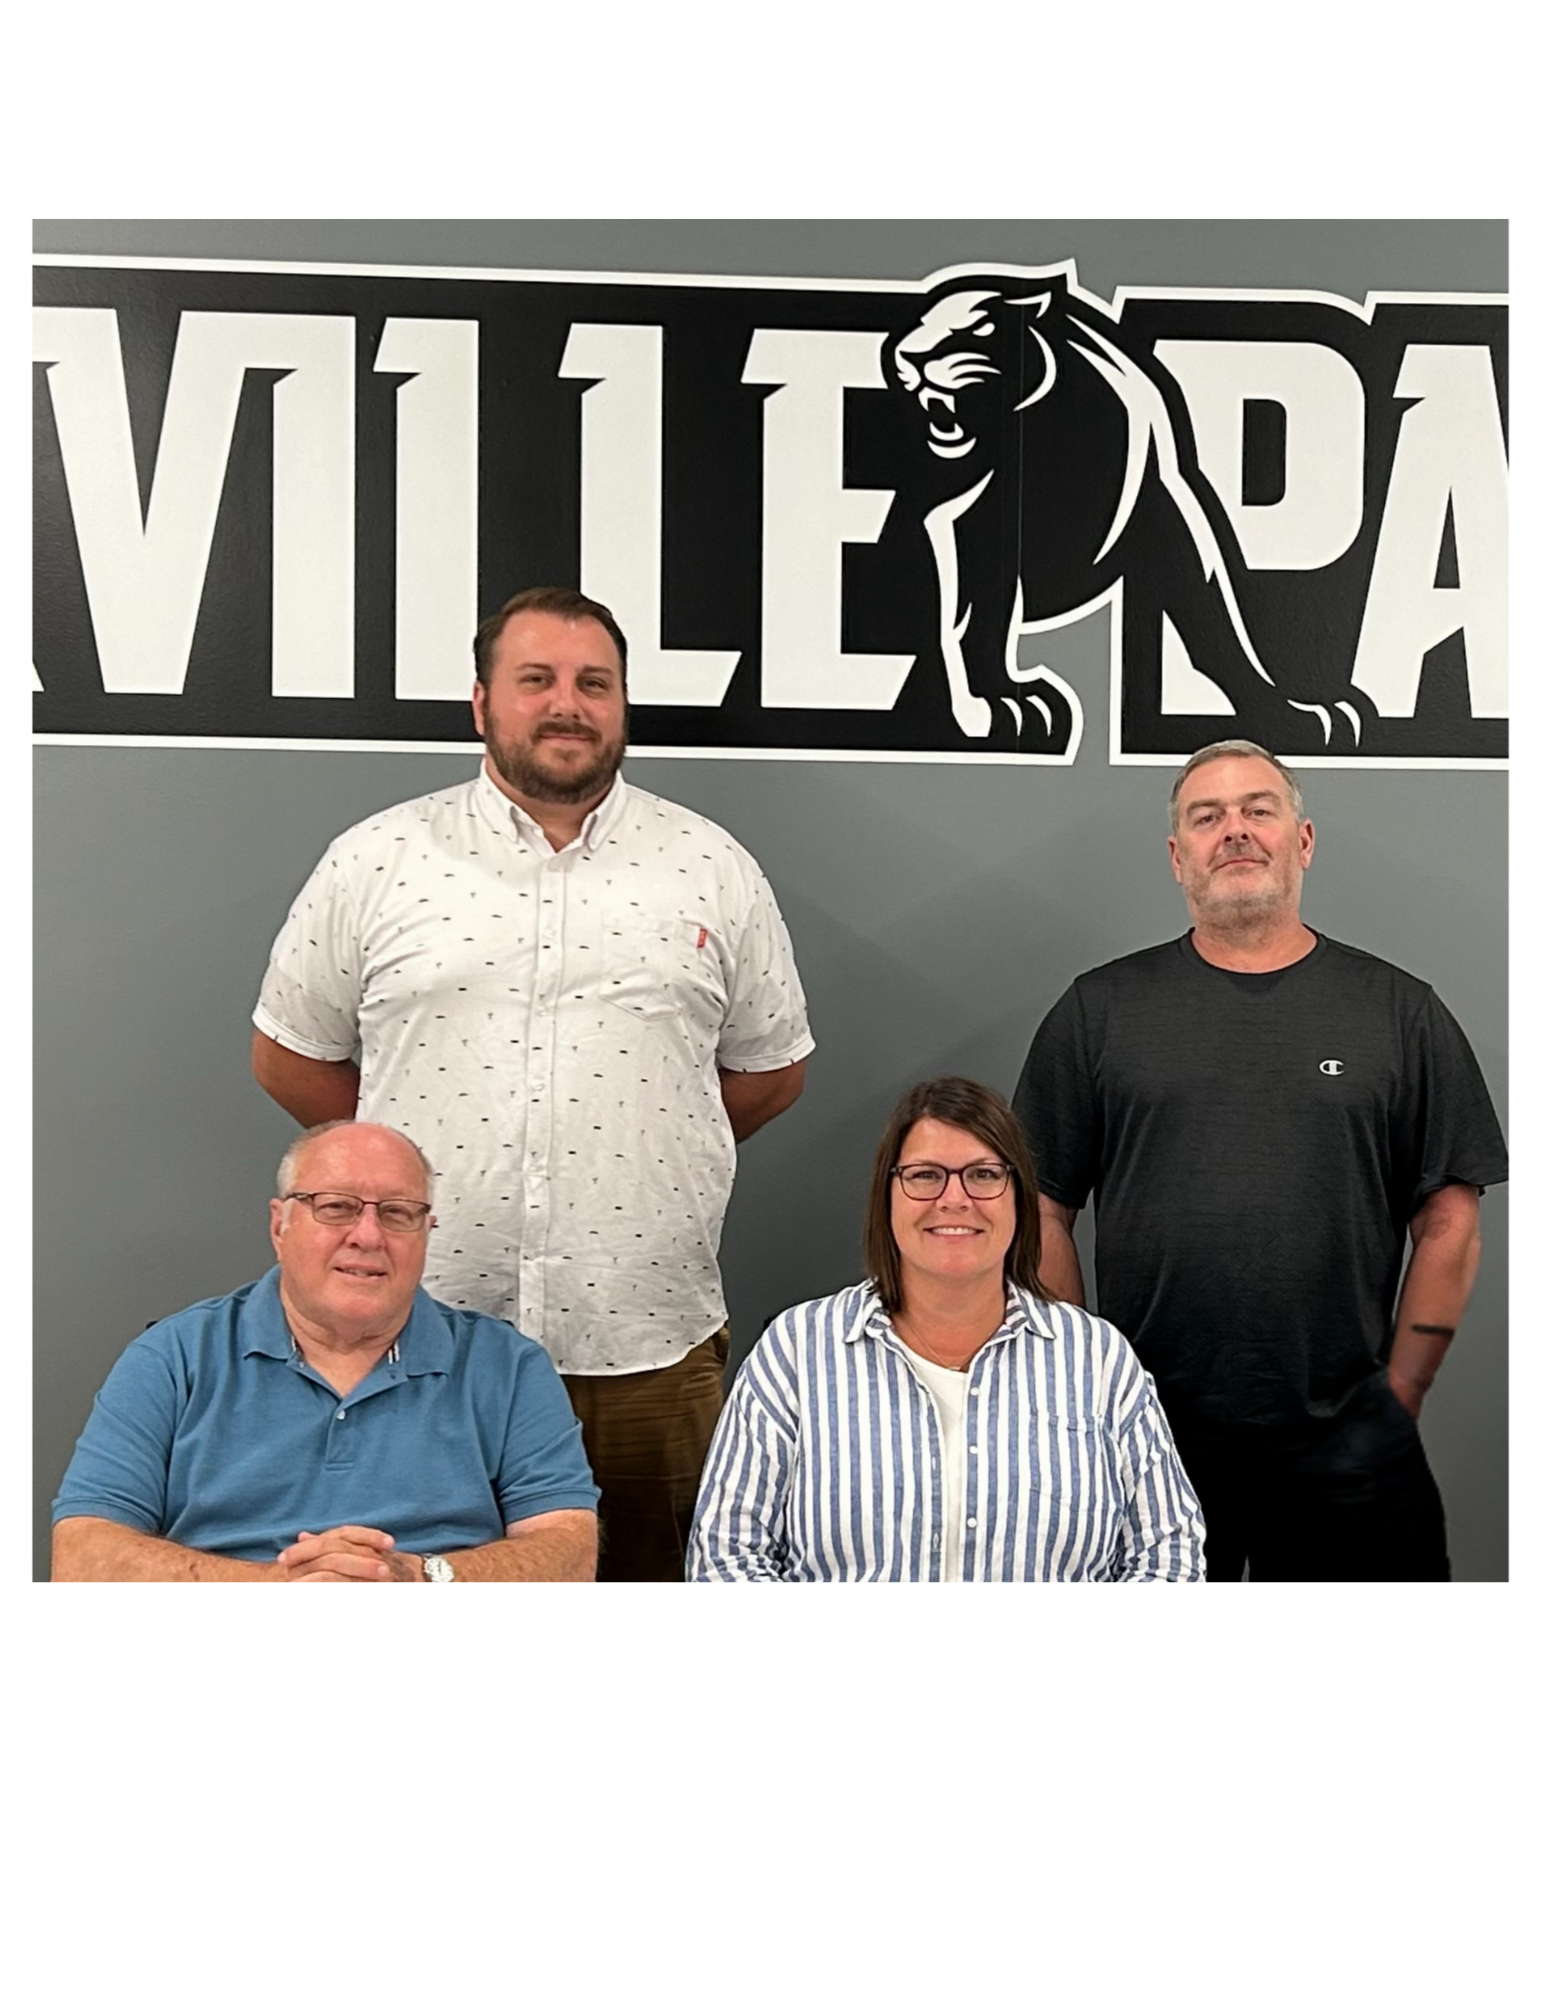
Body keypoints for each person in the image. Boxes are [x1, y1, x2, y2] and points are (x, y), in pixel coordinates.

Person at [251, 586, 813, 1582]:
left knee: (651, 1607)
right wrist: (401, 1166)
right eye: (537, 680)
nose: (569, 703)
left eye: (595, 682)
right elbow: (291, 1054)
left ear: (623, 703)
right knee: (410, 1602)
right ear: (481, 703)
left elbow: (769, 1070)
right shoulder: (378, 862)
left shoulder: (711, 866)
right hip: (425, 1329)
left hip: (646, 1335)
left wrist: (651, 1144)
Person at [1013, 738, 1508, 1582]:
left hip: (1347, 1442)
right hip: (1143, 1435)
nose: (1233, 830)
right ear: (1178, 857)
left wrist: (1401, 1395)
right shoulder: (1099, 1010)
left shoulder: (1399, 1011)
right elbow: (1040, 1208)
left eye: (1257, 810)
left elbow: (1450, 1220)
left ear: (1302, 841)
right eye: (1206, 818)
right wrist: (1081, 1385)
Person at [687, 1076, 1204, 1581]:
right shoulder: (797, 1352)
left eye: (983, 1175)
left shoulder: (1096, 1359)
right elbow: (725, 1555)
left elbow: (1170, 1550)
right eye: (925, 1175)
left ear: (1019, 1197)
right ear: (887, 1196)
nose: (954, 1199)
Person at [52, 1121, 599, 1581]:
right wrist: (274, 1591)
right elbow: (80, 1554)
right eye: (336, 1207)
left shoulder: (508, 1366)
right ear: (280, 1225)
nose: (367, 1235)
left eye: (397, 1212)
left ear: (426, 1232)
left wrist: (418, 1578)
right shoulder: (174, 1357)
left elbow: (570, 1552)